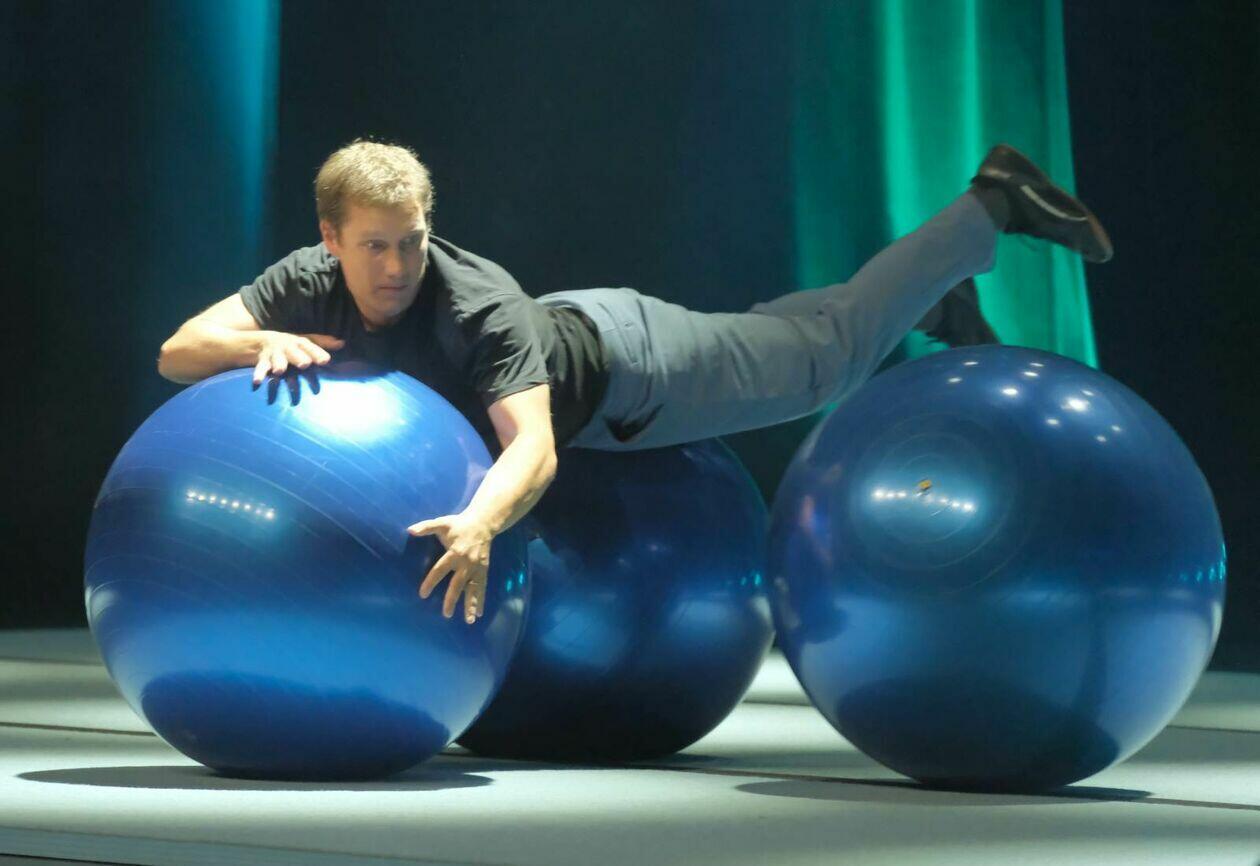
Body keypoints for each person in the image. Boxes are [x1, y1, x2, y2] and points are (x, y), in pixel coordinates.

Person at [157, 139, 1111, 626]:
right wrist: (261, 342)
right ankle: (924, 290)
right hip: (567, 335)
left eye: (412, 241)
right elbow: (179, 349)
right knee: (792, 335)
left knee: (823, 360)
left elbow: (534, 448)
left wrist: (481, 525)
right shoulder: (308, 278)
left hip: (631, 370)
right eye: (374, 247)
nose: (397, 266)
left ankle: (992, 203)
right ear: (329, 238)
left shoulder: (473, 304)